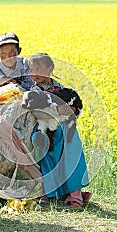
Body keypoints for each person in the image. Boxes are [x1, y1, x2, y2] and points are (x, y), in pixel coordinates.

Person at [28, 53, 91, 208]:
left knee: (71, 158)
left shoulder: (62, 88)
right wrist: (60, 109)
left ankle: (75, 195)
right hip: (45, 130)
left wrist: (66, 109)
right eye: (32, 69)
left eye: (39, 68)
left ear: (50, 69)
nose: (35, 73)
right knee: (46, 159)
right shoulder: (33, 91)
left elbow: (74, 108)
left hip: (66, 128)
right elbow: (39, 111)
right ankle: (50, 193)